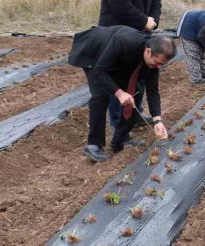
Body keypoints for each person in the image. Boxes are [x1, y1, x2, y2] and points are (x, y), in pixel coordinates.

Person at [68, 26, 175, 162]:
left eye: (162, 64)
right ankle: (94, 145)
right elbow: (99, 71)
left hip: (118, 61)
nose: (159, 67)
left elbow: (153, 90)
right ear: (148, 52)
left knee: (136, 92)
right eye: (158, 63)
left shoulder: (153, 59)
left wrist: (157, 121)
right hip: (93, 54)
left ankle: (120, 140)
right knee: (100, 96)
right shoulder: (126, 42)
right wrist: (119, 93)